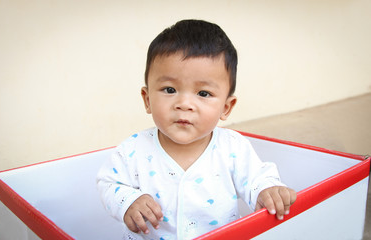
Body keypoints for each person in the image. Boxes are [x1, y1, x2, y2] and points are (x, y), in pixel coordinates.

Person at [97, 19, 296, 239]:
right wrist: (127, 201)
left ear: (226, 107)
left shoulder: (232, 147)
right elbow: (108, 182)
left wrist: (267, 191)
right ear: (147, 99)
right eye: (169, 89)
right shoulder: (133, 150)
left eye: (203, 93)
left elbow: (257, 179)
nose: (184, 104)